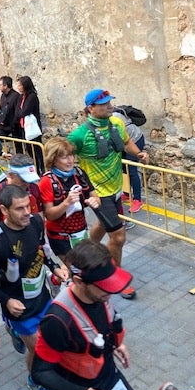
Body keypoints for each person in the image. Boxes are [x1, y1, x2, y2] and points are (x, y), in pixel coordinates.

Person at [0, 184, 69, 390]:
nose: (27, 212)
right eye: (19, 209)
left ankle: (16, 333)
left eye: (28, 206)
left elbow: (41, 250)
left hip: (42, 297)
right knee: (39, 351)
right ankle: (35, 381)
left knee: (51, 340)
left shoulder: (36, 221)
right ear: (4, 210)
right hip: (19, 308)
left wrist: (55, 267)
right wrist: (6, 300)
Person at [67, 88, 149, 300]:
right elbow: (61, 153)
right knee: (118, 236)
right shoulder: (79, 135)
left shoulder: (117, 123)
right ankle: (114, 278)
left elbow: (126, 143)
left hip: (115, 189)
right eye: (103, 103)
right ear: (91, 108)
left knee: (103, 225)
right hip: (97, 192)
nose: (109, 105)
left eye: (109, 101)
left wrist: (138, 153)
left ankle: (79, 255)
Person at [31, 240, 136, 390]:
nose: (110, 292)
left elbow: (102, 326)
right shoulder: (57, 320)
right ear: (79, 281)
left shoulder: (100, 294)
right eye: (104, 286)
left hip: (107, 376)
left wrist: (115, 344)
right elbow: (41, 372)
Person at [40, 137, 100, 263]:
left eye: (71, 155)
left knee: (86, 269)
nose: (70, 160)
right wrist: (67, 203)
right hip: (61, 237)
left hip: (81, 232)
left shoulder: (79, 173)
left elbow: (96, 197)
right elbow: (49, 215)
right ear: (53, 160)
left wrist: (94, 202)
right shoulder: (47, 181)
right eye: (64, 157)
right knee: (77, 271)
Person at [0, 154, 43, 235]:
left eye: (30, 180)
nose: (28, 184)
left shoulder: (34, 187)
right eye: (23, 180)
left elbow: (40, 213)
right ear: (10, 175)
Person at [112, 105, 147, 213]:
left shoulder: (113, 119)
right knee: (124, 168)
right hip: (123, 143)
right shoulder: (101, 120)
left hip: (135, 140)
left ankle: (137, 199)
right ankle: (127, 193)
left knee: (132, 171)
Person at [13, 75, 44, 173]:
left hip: (33, 128)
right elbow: (17, 111)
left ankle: (42, 169)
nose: (18, 87)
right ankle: (35, 169)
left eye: (20, 85)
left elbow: (24, 112)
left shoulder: (32, 96)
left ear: (25, 85)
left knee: (37, 150)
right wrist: (19, 113)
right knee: (29, 150)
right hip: (24, 127)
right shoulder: (21, 97)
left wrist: (20, 112)